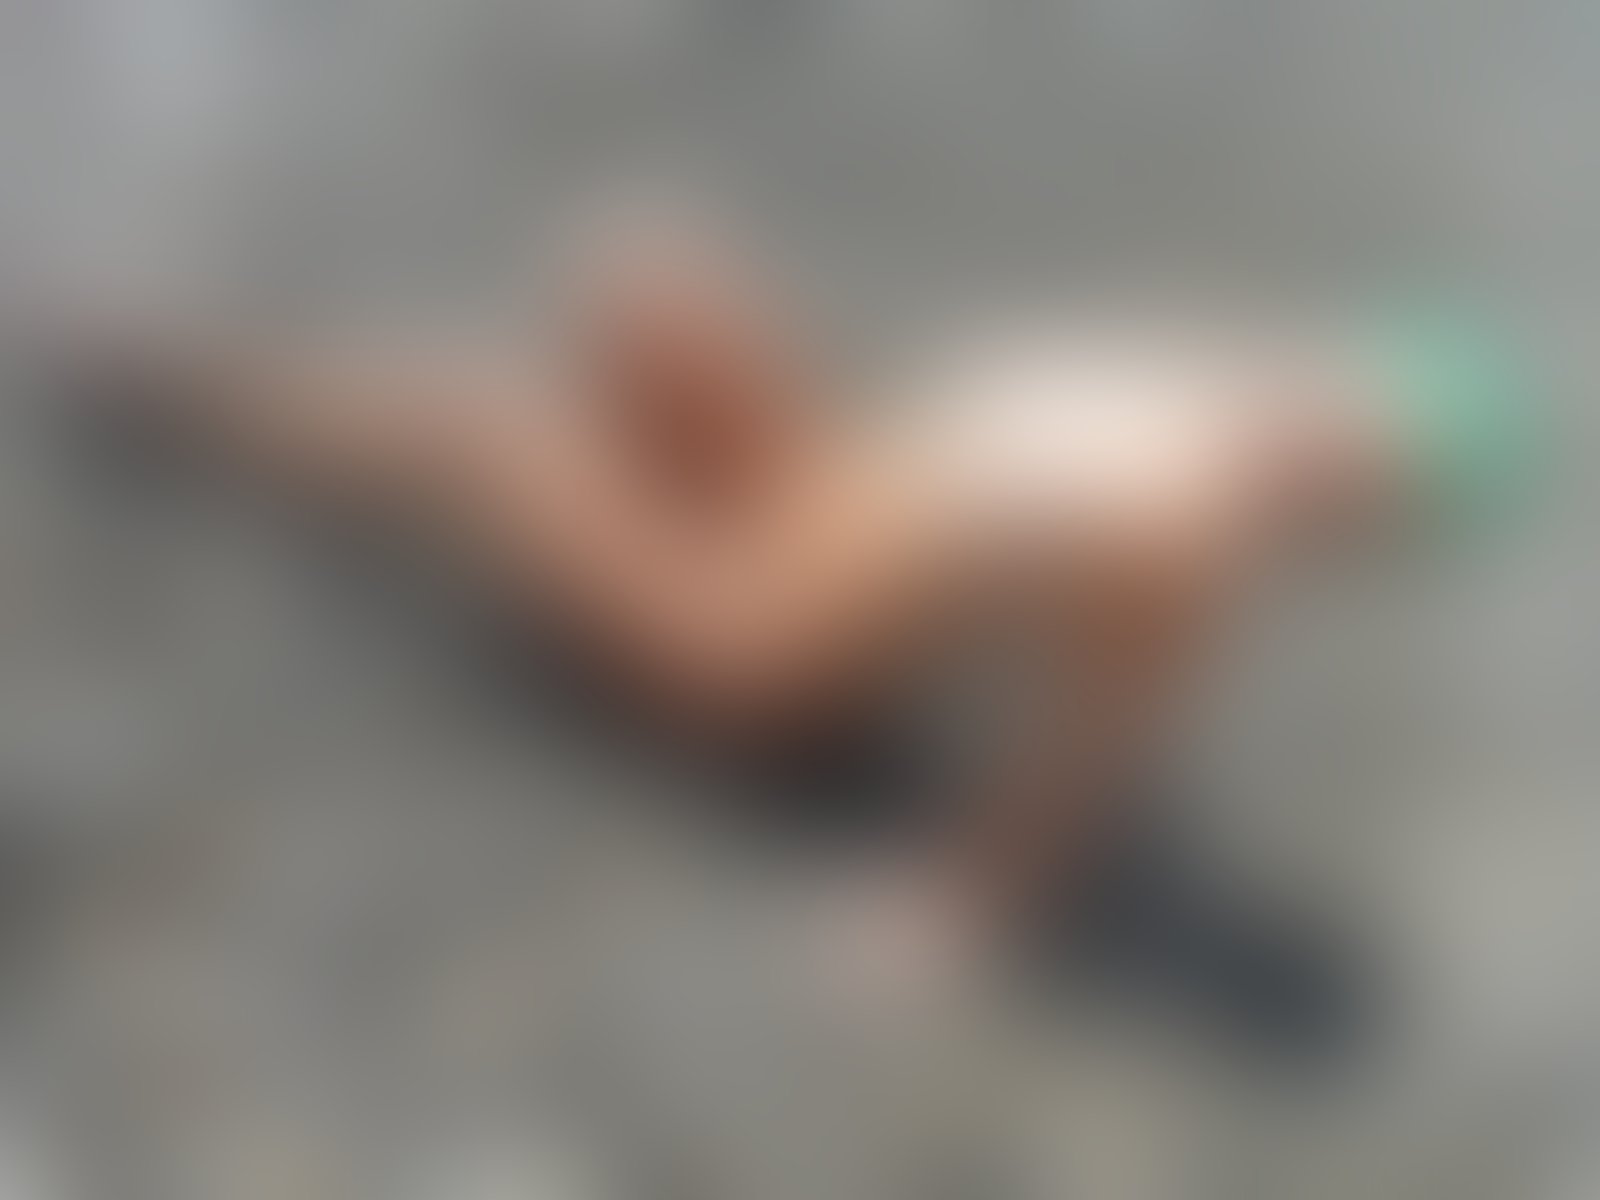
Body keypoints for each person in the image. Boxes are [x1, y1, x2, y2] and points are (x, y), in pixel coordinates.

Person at [52, 220, 1538, 988]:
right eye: (1352, 392)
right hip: (810, 483)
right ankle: (566, 484)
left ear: (1358, 524)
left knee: (481, 429)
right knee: (651, 265)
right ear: (1347, 352)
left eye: (1357, 474)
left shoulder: (1188, 541)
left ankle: (178, 394)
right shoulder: (1212, 386)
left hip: (753, 644)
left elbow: (1093, 756)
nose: (1320, 431)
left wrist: (952, 911)